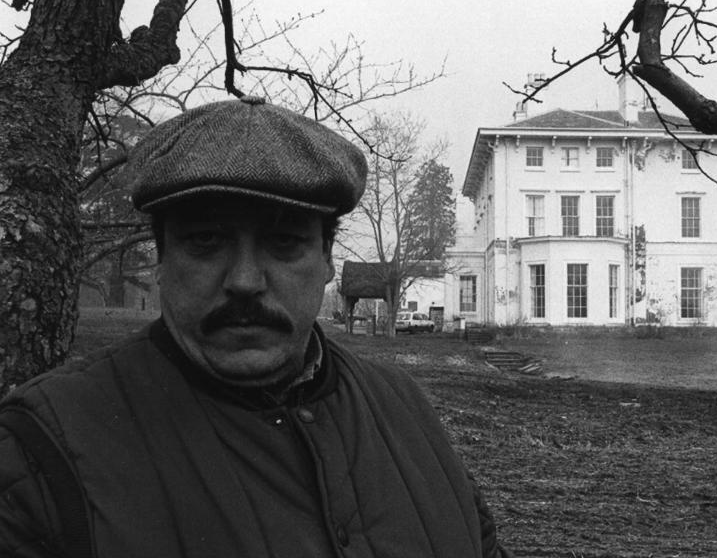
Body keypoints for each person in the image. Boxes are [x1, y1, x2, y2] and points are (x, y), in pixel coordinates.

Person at [0, 97, 511, 558]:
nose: (245, 281)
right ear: (160, 258)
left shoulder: (405, 409)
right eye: (206, 241)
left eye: (284, 242)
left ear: (329, 259)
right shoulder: (40, 450)